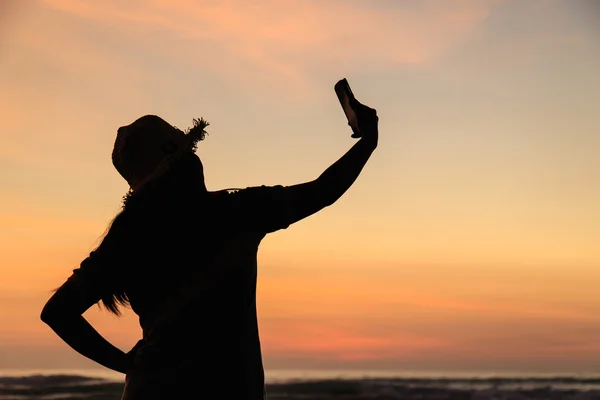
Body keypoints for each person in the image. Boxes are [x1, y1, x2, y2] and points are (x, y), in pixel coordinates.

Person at [40, 96, 379, 399]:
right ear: (172, 159)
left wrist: (127, 363)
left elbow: (58, 312)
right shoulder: (235, 211)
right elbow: (324, 190)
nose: (194, 156)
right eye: (183, 148)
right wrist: (368, 140)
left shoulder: (129, 233)